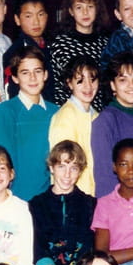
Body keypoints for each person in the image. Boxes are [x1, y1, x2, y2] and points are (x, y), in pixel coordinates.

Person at [29, 141, 96, 265]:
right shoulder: (36, 204)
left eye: (73, 168)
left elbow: (89, 246)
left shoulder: (90, 204)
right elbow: (38, 245)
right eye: (61, 166)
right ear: (51, 168)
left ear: (80, 171)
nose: (67, 174)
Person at [0, 45, 57, 200]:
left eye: (37, 71)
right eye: (25, 73)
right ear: (15, 78)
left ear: (45, 74)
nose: (32, 78)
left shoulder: (56, 111)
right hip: (18, 197)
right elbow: (1, 160)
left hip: (50, 198)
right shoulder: (6, 111)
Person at [91, 51, 133, 198]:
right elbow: (104, 177)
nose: (131, 86)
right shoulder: (105, 121)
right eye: (123, 80)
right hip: (120, 204)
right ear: (113, 85)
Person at [50, 0, 110, 111]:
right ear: (71, 11)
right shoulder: (60, 45)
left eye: (90, 6)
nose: (85, 12)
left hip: (100, 114)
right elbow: (56, 88)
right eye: (79, 7)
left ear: (97, 9)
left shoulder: (106, 44)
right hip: (70, 113)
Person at [48, 55, 99, 195]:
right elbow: (63, 167)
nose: (88, 86)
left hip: (94, 193)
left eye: (92, 79)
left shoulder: (96, 115)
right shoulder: (65, 116)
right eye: (80, 81)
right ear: (69, 83)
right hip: (73, 194)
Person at [3, 0, 55, 102]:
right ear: (17, 19)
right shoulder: (15, 52)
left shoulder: (51, 46)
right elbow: (12, 94)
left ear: (47, 16)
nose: (36, 22)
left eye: (40, 14)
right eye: (28, 16)